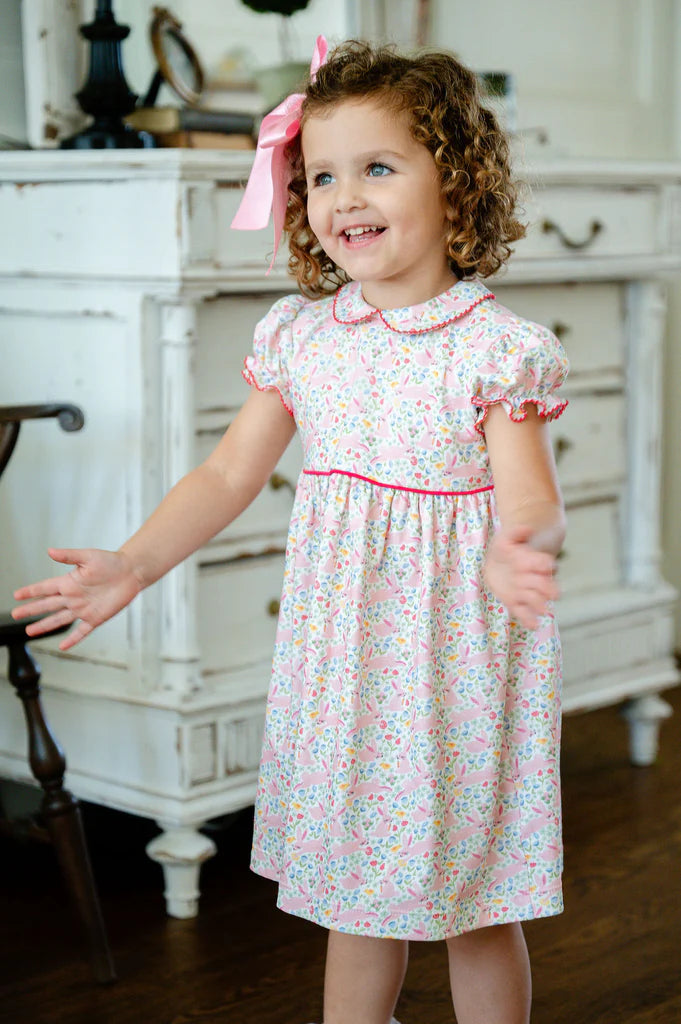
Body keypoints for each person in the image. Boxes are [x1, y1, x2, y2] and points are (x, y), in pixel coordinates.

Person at [13, 35, 569, 1024]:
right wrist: (133, 564)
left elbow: (530, 494)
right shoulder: (301, 338)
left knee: (474, 898)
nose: (344, 196)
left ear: (456, 181)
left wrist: (519, 547)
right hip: (346, 665)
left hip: (455, 663)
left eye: (377, 168)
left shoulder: (493, 349)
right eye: (320, 175)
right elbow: (229, 473)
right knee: (355, 891)